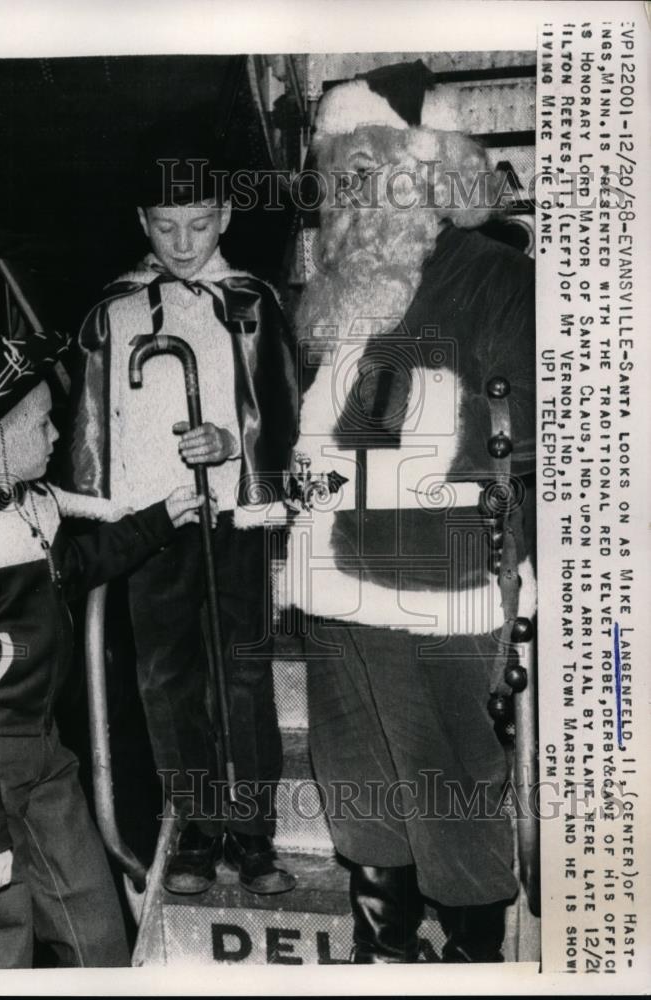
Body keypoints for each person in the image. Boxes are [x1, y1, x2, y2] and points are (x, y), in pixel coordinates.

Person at [280, 63, 536, 961]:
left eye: (370, 166)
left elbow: (535, 447)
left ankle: (468, 961)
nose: (350, 190)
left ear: (431, 166)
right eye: (340, 172)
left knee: (451, 797)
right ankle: (384, 953)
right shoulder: (338, 287)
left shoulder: (497, 277)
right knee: (358, 792)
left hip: (437, 593)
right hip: (331, 592)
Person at [0, 330, 213, 968]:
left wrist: (157, 521)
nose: (54, 437)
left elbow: (73, 565)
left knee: (97, 930)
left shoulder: (28, 504)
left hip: (46, 748)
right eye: (44, 424)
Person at [69, 147, 299, 895]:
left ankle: (254, 833)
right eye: (165, 226)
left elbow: (282, 415)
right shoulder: (115, 311)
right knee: (165, 678)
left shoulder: (251, 300)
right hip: (152, 524)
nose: (181, 242)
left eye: (198, 225)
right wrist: (109, 521)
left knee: (243, 675)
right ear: (143, 222)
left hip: (233, 517)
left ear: (224, 218)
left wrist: (235, 448)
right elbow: (93, 430)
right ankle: (196, 828)